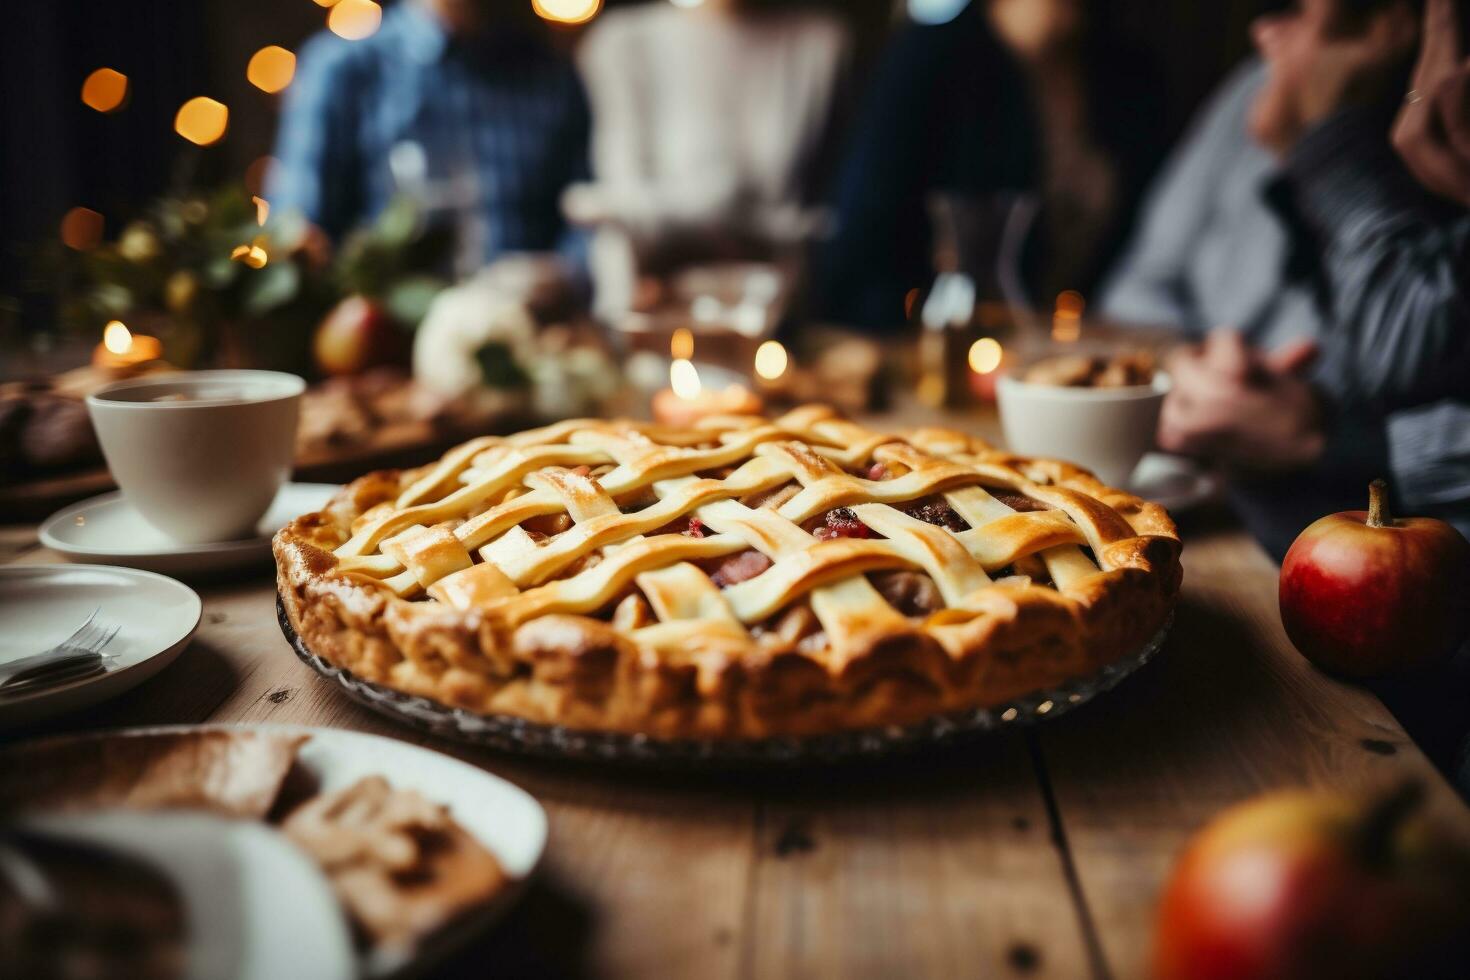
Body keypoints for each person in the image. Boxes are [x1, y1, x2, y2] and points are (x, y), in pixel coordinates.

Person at [1097, 0, 1470, 558]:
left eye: (1299, 10)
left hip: (1379, 561)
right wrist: (1198, 370)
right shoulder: (1255, 91)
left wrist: (1326, 141)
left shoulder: (1442, 136)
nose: (1264, 29)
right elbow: (1135, 285)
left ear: (1407, 21)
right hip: (1219, 509)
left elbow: (1405, 355)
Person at [565, 0, 850, 324]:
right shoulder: (623, 42)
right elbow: (629, 214)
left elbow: (831, 218)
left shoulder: (820, 43)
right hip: (651, 311)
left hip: (777, 317)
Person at [267, 0, 590, 275]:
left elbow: (589, 222)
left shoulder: (553, 77)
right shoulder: (342, 71)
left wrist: (565, 275)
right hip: (388, 341)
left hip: (536, 333)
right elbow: (295, 241)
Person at [812, 0, 1038, 328]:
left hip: (1024, 320)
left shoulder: (1096, 71)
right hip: (906, 322)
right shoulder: (937, 52)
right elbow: (866, 220)